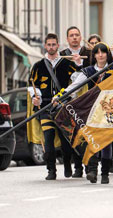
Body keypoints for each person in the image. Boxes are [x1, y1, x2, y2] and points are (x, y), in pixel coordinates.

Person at [61, 42, 113, 184]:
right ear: (94, 55)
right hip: (92, 110)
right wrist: (61, 95)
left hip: (109, 111)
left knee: (106, 142)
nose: (100, 55)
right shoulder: (88, 71)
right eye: (97, 52)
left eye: (103, 52)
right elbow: (75, 86)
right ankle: (93, 170)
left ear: (107, 54)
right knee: (91, 140)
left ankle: (105, 173)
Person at [28, 33, 79, 180]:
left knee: (66, 140)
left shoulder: (67, 64)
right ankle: (51, 170)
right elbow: (32, 86)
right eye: (49, 44)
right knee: (48, 138)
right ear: (45, 46)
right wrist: (34, 98)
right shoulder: (37, 66)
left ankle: (68, 164)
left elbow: (76, 82)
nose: (51, 47)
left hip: (63, 107)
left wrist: (69, 96)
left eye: (53, 44)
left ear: (58, 45)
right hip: (45, 108)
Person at [59, 26, 92, 178]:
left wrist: (80, 64)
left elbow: (92, 73)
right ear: (67, 39)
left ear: (80, 37)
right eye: (71, 35)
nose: (74, 37)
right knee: (70, 135)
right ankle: (72, 165)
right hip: (68, 100)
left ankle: (86, 166)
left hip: (85, 100)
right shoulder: (62, 56)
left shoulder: (89, 54)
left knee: (84, 134)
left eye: (77, 35)